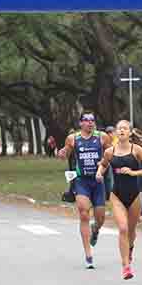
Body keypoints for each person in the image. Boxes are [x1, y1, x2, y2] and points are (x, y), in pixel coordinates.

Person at [96, 120, 142, 279]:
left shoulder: (136, 150)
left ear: (130, 132)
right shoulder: (110, 151)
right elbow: (103, 164)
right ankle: (126, 266)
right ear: (116, 132)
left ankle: (130, 249)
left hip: (135, 194)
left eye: (125, 128)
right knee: (122, 228)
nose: (122, 131)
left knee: (131, 230)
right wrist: (99, 173)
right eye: (119, 129)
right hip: (116, 195)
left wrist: (133, 173)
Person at [57, 112, 112, 269]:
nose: (90, 123)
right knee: (83, 213)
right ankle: (88, 254)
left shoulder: (102, 137)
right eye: (86, 120)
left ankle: (96, 230)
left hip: (98, 180)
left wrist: (104, 168)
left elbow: (110, 155)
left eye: (92, 120)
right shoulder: (73, 138)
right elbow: (65, 153)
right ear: (80, 123)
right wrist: (61, 153)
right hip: (82, 181)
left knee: (100, 217)